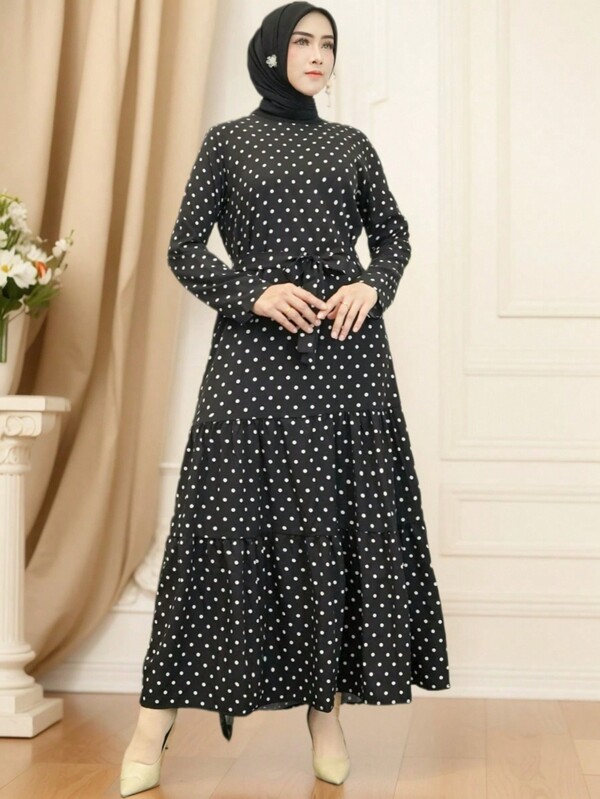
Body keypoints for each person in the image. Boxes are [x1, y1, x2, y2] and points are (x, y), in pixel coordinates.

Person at [120, 2, 450, 795]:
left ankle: (324, 714)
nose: (317, 55)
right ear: (271, 51)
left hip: (345, 360)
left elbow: (394, 235)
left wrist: (373, 284)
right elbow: (183, 248)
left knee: (330, 527)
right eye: (302, 41)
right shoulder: (228, 142)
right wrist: (254, 293)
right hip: (253, 358)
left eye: (328, 44)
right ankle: (151, 725)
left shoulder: (351, 145)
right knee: (219, 527)